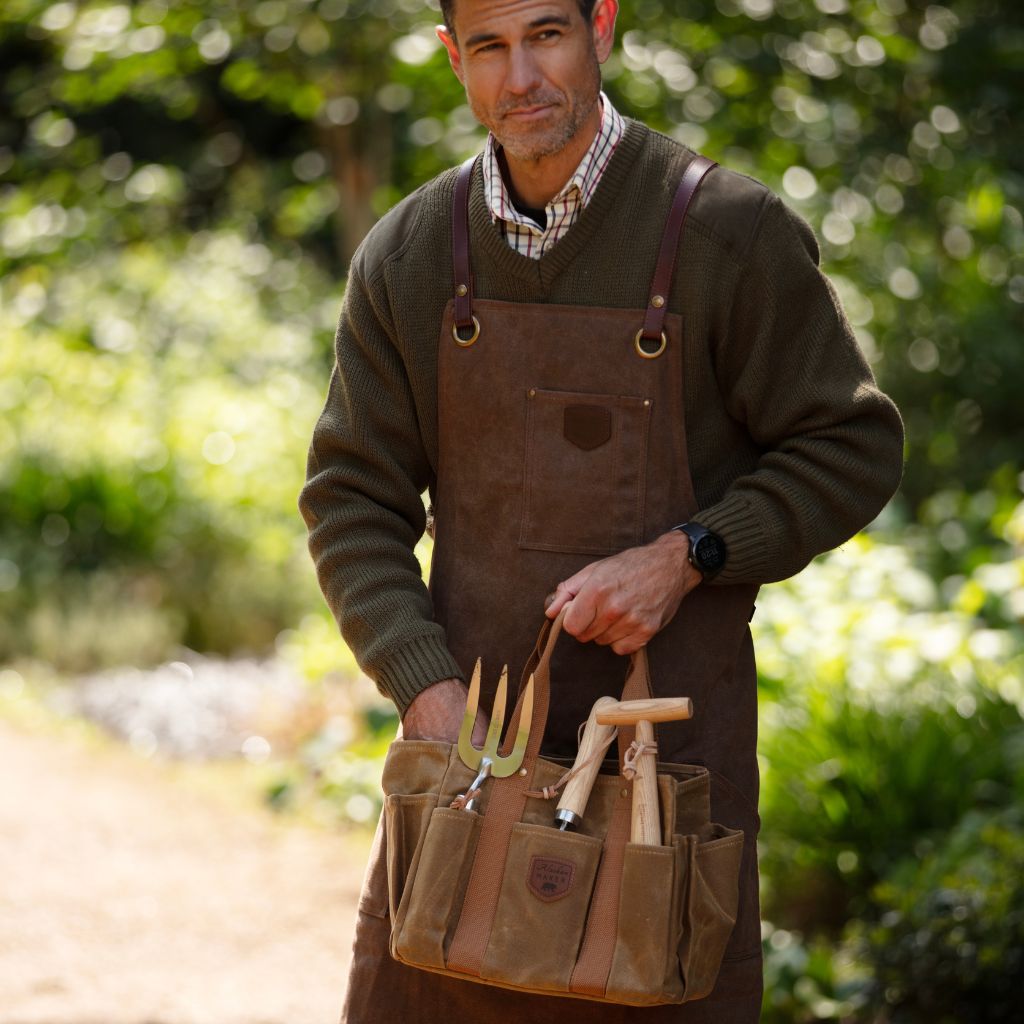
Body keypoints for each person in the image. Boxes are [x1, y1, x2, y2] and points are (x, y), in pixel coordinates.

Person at [298, 0, 905, 1020]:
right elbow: (350, 497)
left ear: (602, 26)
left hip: (670, 772)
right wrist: (428, 693)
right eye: (488, 47)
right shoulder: (407, 255)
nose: (520, 76)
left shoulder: (729, 233)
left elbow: (851, 444)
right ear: (454, 60)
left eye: (546, 34)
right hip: (471, 774)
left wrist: (690, 552)